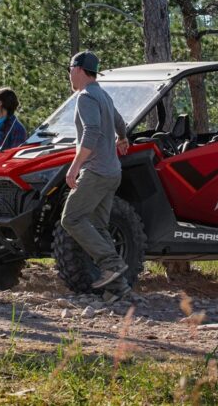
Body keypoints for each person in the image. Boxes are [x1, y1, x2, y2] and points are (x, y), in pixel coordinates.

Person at [60, 50, 132, 303]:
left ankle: (111, 263)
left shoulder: (86, 97)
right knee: (99, 226)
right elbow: (120, 122)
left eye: (70, 69)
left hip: (96, 171)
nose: (69, 74)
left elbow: (91, 132)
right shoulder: (104, 96)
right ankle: (119, 287)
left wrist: (74, 166)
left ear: (79, 69)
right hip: (113, 172)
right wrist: (122, 138)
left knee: (71, 218)